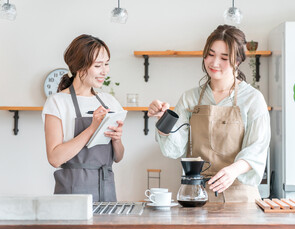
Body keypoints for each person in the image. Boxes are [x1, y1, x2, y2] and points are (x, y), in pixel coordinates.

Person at [148, 25, 270, 203]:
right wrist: (162, 121)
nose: (214, 63)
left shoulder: (253, 99)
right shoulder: (190, 98)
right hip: (198, 194)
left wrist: (233, 170)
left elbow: (257, 148)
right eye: (211, 54)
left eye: (224, 57)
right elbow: (174, 149)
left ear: (238, 61)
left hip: (240, 195)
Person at [42, 34, 124, 202]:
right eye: (98, 65)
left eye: (106, 64)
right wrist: (92, 128)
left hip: (106, 191)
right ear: (80, 67)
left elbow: (118, 157)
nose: (105, 71)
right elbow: (55, 159)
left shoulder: (110, 102)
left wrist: (117, 139)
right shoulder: (57, 103)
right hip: (73, 194)